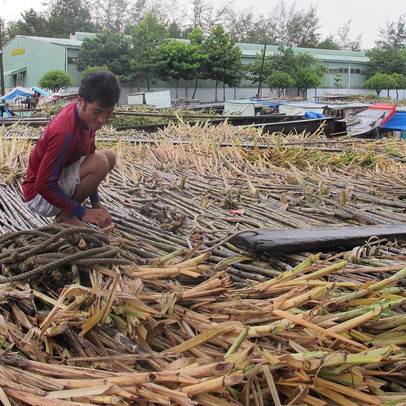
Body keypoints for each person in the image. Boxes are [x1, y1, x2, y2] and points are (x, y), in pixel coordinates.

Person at [22, 70, 120, 228]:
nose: (102, 119)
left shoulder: (87, 120)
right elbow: (43, 184)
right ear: (81, 101)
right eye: (97, 112)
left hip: (55, 184)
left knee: (109, 157)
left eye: (108, 113)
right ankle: (65, 216)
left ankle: (68, 212)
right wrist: (81, 212)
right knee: (100, 162)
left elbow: (88, 157)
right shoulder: (65, 134)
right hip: (39, 197)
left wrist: (96, 202)